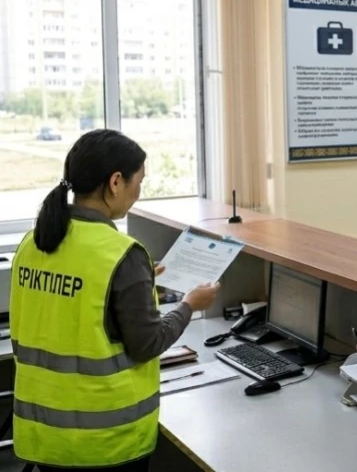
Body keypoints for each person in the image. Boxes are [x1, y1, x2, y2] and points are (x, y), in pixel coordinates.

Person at [10, 129, 221, 472]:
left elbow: (68, 308)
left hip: (45, 435)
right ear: (115, 182)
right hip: (104, 441)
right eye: (139, 182)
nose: (139, 193)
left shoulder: (32, 243)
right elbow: (148, 343)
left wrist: (136, 285)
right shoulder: (121, 254)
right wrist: (190, 305)